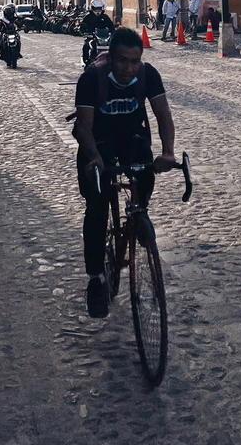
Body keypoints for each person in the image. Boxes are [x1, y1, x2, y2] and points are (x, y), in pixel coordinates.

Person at [73, 27, 177, 318]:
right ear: (111, 58)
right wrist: (94, 157)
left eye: (134, 61)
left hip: (131, 135)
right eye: (121, 61)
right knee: (96, 207)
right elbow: (83, 127)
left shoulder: (147, 75)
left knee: (145, 173)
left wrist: (167, 151)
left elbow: (163, 115)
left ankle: (138, 217)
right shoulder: (92, 78)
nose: (128, 68)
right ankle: (96, 278)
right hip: (98, 140)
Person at [80, 0, 115, 64]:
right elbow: (82, 26)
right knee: (86, 45)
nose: (98, 10)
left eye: (99, 8)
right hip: (92, 37)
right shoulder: (88, 17)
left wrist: (113, 32)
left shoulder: (105, 17)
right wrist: (85, 32)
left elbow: (111, 26)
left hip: (104, 37)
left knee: (114, 46)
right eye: (96, 8)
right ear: (92, 8)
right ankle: (86, 61)